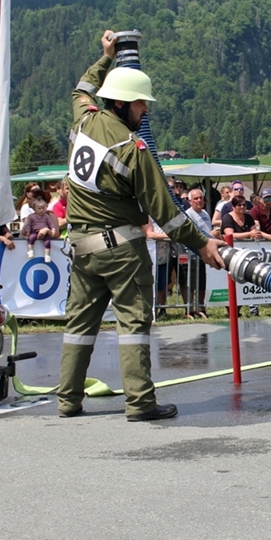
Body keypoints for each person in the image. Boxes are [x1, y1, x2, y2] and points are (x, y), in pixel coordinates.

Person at [59, 30, 225, 422]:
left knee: (78, 326)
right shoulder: (133, 149)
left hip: (81, 248)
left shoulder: (84, 120)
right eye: (140, 103)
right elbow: (166, 211)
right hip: (121, 251)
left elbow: (81, 89)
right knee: (133, 324)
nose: (145, 110)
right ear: (120, 102)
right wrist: (202, 243)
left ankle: (68, 400)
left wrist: (105, 56)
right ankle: (140, 403)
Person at [181, 187, 216, 318]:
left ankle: (201, 307)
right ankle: (189, 309)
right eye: (195, 198)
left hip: (203, 253)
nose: (199, 200)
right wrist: (210, 235)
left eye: (201, 198)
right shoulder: (188, 214)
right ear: (190, 201)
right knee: (190, 283)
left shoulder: (205, 213)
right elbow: (193, 234)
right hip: (190, 252)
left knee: (201, 282)